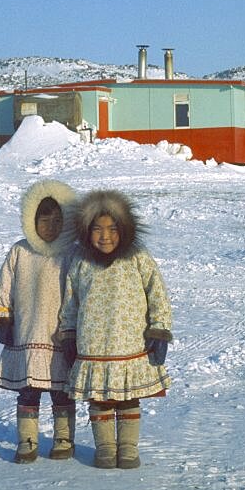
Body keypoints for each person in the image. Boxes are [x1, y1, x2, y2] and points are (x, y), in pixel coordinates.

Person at [58, 189, 172, 469]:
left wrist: (159, 330)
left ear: (125, 229)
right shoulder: (81, 261)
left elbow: (156, 292)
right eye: (97, 229)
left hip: (130, 346)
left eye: (112, 229)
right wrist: (69, 334)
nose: (105, 236)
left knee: (127, 397)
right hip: (93, 346)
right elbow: (70, 300)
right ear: (86, 231)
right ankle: (106, 448)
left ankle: (128, 447)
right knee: (99, 398)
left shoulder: (137, 258)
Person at [0, 179, 78, 463]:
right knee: (28, 393)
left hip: (59, 338)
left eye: (57, 220)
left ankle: (64, 439)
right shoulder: (20, 251)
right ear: (31, 219)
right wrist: (3, 318)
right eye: (43, 219)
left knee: (62, 392)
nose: (50, 226)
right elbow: (3, 285)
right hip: (25, 335)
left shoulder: (72, 253)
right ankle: (27, 440)